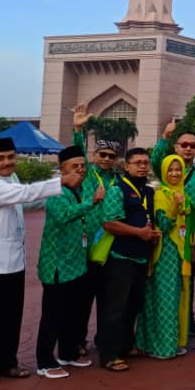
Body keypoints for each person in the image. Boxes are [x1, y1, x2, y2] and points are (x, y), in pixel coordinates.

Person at [0, 137, 66, 389]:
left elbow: (26, 200)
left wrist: (54, 198)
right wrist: (60, 183)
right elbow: (24, 194)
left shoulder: (11, 179)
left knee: (11, 316)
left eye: (10, 157)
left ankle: (5, 363)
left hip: (13, 259)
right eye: (0, 158)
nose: (7, 162)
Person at [34, 145, 105, 379]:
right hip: (56, 265)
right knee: (53, 315)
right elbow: (65, 215)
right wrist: (92, 203)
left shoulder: (78, 190)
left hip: (76, 264)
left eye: (83, 166)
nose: (81, 171)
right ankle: (45, 361)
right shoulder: (56, 193)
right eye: (75, 167)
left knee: (72, 313)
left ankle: (66, 353)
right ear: (62, 170)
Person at [97, 147, 160, 372]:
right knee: (115, 307)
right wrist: (139, 233)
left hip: (141, 256)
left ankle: (125, 346)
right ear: (127, 166)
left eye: (146, 162)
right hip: (120, 256)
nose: (142, 166)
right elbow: (109, 223)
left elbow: (147, 220)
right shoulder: (117, 190)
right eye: (137, 162)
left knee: (133, 304)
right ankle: (109, 354)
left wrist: (151, 234)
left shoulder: (149, 192)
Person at [69, 104, 120, 357]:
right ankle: (78, 340)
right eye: (103, 155)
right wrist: (78, 129)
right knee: (82, 298)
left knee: (109, 298)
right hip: (88, 246)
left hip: (112, 245)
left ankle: (104, 339)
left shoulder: (119, 181)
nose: (107, 159)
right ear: (95, 155)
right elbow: (76, 155)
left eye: (111, 156)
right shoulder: (88, 176)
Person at [136, 155, 195, 359]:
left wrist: (192, 246)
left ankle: (174, 341)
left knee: (178, 297)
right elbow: (163, 225)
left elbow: (189, 223)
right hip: (165, 254)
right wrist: (174, 206)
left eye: (178, 169)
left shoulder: (183, 193)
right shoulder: (160, 195)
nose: (174, 174)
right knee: (165, 298)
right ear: (163, 172)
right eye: (170, 170)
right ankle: (162, 346)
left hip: (181, 253)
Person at [151, 121, 195, 334]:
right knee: (166, 280)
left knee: (188, 279)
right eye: (183, 144)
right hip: (167, 234)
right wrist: (165, 136)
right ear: (176, 147)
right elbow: (154, 159)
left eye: (192, 145)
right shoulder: (167, 168)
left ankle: (186, 320)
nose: (188, 148)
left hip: (191, 235)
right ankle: (164, 324)